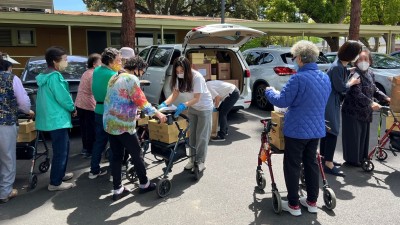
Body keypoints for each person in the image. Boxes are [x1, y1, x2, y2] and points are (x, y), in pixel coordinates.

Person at [265, 40, 331, 216]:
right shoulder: (325, 77)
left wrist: (269, 91)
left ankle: (293, 204)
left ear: (301, 58)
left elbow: (282, 101)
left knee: (293, 165)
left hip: (297, 130)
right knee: (310, 163)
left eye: (294, 57)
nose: (294, 60)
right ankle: (311, 201)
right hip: (316, 128)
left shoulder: (298, 78)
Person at [103, 56, 167, 200]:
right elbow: (141, 101)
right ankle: (144, 184)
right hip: (123, 125)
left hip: (110, 123)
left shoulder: (114, 77)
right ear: (137, 69)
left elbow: (118, 99)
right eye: (142, 71)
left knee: (117, 156)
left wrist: (133, 111)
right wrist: (158, 114)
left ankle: (117, 188)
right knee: (137, 154)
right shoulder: (131, 79)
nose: (142, 74)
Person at [159, 56, 213, 172]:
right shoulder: (179, 78)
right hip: (192, 107)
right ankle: (192, 160)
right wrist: (164, 104)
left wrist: (184, 105)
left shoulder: (197, 77)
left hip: (204, 108)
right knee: (192, 135)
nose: (179, 73)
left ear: (187, 69)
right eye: (177, 71)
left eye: (181, 71)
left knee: (202, 136)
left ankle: (200, 162)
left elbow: (197, 98)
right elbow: (175, 94)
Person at [35, 46, 76, 191]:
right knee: (61, 150)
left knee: (62, 148)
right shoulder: (54, 77)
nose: (66, 62)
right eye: (64, 60)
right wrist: (72, 108)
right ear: (54, 61)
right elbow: (63, 97)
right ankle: (55, 182)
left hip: (49, 119)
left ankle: (60, 174)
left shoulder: (44, 76)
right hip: (57, 119)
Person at [342, 50, 390, 166]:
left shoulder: (370, 73)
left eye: (366, 59)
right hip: (352, 111)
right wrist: (371, 103)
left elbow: (374, 89)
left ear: (370, 61)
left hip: (365, 112)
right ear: (355, 61)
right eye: (360, 59)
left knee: (363, 137)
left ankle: (361, 158)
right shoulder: (355, 74)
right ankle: (353, 160)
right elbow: (356, 93)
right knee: (354, 137)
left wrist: (386, 98)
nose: (363, 62)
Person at [321, 41, 362, 176]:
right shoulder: (338, 67)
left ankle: (324, 158)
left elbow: (340, 74)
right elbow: (341, 87)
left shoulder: (340, 65)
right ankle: (328, 163)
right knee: (333, 130)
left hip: (328, 100)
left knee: (327, 131)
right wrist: (353, 81)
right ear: (352, 55)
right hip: (330, 102)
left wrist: (350, 71)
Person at [0, 59, 33, 203]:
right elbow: (23, 102)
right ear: (9, 68)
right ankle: (5, 192)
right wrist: (28, 111)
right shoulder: (12, 78)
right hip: (5, 122)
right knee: (7, 156)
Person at [89, 47, 121, 180]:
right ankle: (115, 173)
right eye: (118, 60)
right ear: (111, 61)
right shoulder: (113, 75)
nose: (120, 62)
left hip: (98, 110)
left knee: (99, 142)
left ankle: (94, 170)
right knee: (114, 143)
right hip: (110, 112)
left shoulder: (96, 71)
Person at [75, 53, 101, 158]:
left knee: (84, 128)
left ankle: (85, 148)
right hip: (89, 104)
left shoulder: (86, 73)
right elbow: (94, 90)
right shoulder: (94, 74)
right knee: (91, 128)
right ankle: (90, 150)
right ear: (94, 64)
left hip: (80, 103)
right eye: (100, 62)